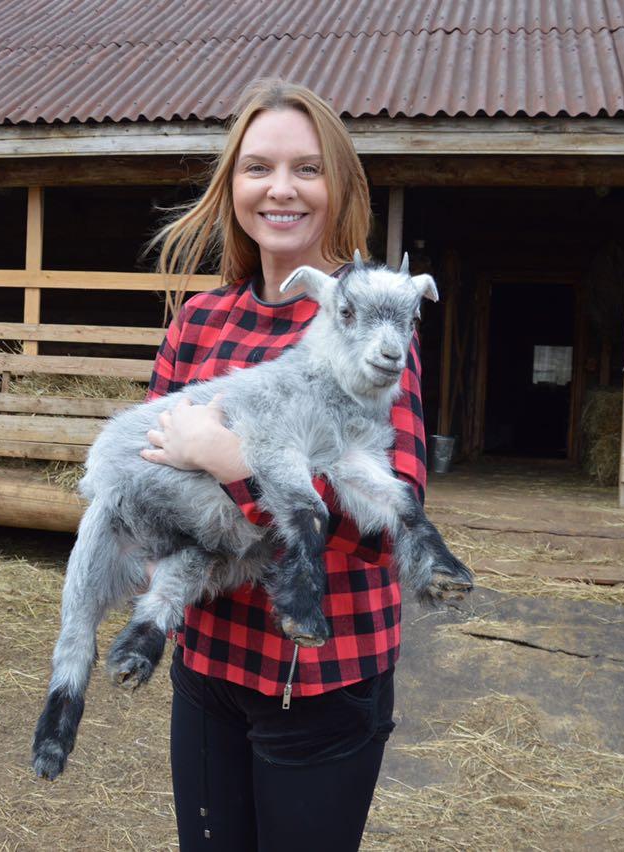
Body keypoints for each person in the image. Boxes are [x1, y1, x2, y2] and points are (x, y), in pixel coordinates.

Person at [142, 78, 427, 852]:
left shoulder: (375, 317)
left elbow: (387, 527)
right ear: (231, 184)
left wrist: (229, 460)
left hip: (327, 680)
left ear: (339, 188)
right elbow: (152, 475)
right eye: (258, 166)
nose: (281, 189)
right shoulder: (200, 321)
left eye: (307, 168)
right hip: (209, 661)